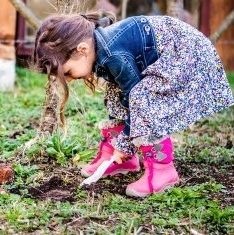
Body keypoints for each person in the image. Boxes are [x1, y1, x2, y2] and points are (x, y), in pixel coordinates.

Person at [32, 12, 233, 197]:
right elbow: (123, 95)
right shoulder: (100, 50)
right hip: (176, 51)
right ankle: (122, 160)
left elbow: (134, 99)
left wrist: (125, 143)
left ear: (82, 50)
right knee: (115, 92)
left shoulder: (112, 55)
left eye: (67, 72)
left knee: (143, 99)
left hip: (187, 54)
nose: (69, 79)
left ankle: (162, 170)